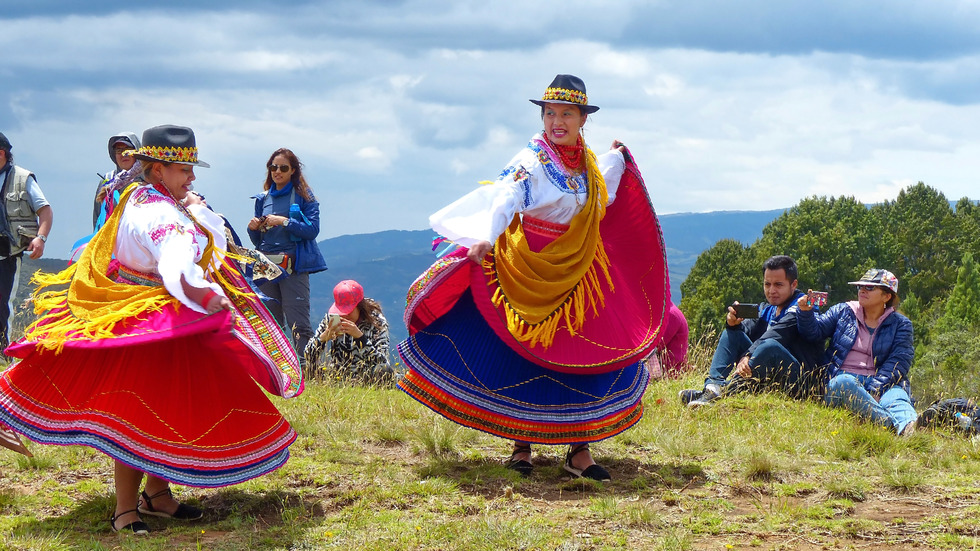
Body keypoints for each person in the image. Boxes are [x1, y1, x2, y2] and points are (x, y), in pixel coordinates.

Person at [0, 125, 303, 534]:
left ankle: (156, 496)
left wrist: (194, 211)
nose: (192, 176)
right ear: (158, 170)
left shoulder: (150, 198)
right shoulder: (157, 213)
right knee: (137, 413)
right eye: (184, 169)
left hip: (169, 320)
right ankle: (126, 509)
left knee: (170, 406)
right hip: (145, 324)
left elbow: (204, 241)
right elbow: (176, 265)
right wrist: (204, 295)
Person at [397, 75, 671, 481]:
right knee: (517, 352)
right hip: (526, 270)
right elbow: (507, 194)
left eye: (566, 114)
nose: (556, 121)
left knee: (578, 353)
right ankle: (520, 445)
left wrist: (620, 158)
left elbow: (604, 191)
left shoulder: (588, 164)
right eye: (549, 113)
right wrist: (488, 237)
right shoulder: (533, 160)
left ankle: (579, 450)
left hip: (577, 270)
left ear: (582, 119)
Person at [679, 255, 824, 408]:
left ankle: (721, 393)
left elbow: (777, 334)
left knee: (769, 347)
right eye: (767, 284)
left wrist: (748, 355)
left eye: (778, 285)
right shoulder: (768, 308)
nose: (771, 290)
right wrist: (733, 324)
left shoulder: (803, 306)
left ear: (793, 285)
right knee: (732, 334)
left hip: (801, 382)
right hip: (771, 378)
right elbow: (747, 329)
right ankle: (713, 387)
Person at [797, 268, 916, 435]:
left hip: (882, 381)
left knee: (897, 396)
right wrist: (806, 313)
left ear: (886, 296)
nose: (862, 290)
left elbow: (899, 361)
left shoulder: (901, 324)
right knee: (843, 383)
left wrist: (876, 388)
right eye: (860, 286)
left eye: (870, 287)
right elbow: (814, 332)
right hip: (844, 378)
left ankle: (909, 428)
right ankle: (891, 426)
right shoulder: (843, 311)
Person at [247, 148, 327, 373]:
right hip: (266, 263)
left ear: (293, 171)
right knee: (271, 320)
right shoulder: (263, 199)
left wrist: (284, 222)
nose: (277, 172)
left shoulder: (305, 197)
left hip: (293, 266)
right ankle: (277, 370)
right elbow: (258, 241)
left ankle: (308, 371)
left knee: (298, 321)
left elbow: (312, 230)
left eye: (283, 168)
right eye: (273, 167)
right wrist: (252, 228)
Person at [0, 132, 53, 353]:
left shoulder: (22, 178)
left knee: (2, 304)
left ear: (1, 153)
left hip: (8, 253)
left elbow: (45, 210)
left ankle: (3, 352)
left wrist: (40, 238)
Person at [305, 279, 393, 385]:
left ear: (360, 307)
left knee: (384, 370)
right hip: (337, 376)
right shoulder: (332, 319)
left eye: (348, 311)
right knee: (306, 366)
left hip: (367, 377)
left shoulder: (377, 322)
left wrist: (361, 338)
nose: (344, 316)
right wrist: (323, 338)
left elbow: (382, 362)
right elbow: (308, 355)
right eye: (341, 312)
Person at [93, 132, 141, 229]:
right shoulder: (108, 181)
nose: (124, 154)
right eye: (119, 150)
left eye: (128, 149)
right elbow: (98, 216)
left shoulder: (147, 180)